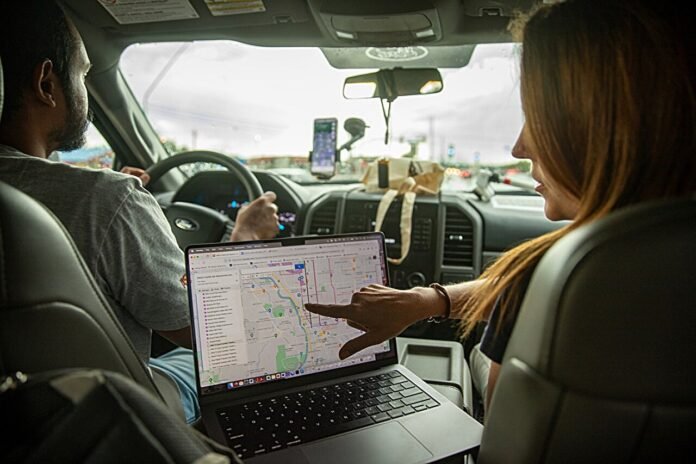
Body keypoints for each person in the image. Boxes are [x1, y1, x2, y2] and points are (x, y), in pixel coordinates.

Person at [307, 0, 696, 414]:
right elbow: (519, 287)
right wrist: (427, 300)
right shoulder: (607, 269)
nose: (519, 147)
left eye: (538, 119)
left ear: (597, 129)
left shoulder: (554, 276)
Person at [0, 0, 280, 424]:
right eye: (82, 74)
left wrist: (113, 197)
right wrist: (246, 239)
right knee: (199, 363)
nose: (85, 91)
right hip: (110, 417)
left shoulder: (98, 196)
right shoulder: (105, 199)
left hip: (18, 418)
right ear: (46, 84)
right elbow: (210, 332)